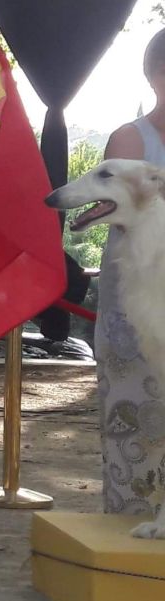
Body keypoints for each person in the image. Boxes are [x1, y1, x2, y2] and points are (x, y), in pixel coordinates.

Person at [95, 28, 165, 515]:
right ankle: (127, 539)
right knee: (134, 424)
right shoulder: (129, 139)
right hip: (135, 311)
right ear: (156, 76)